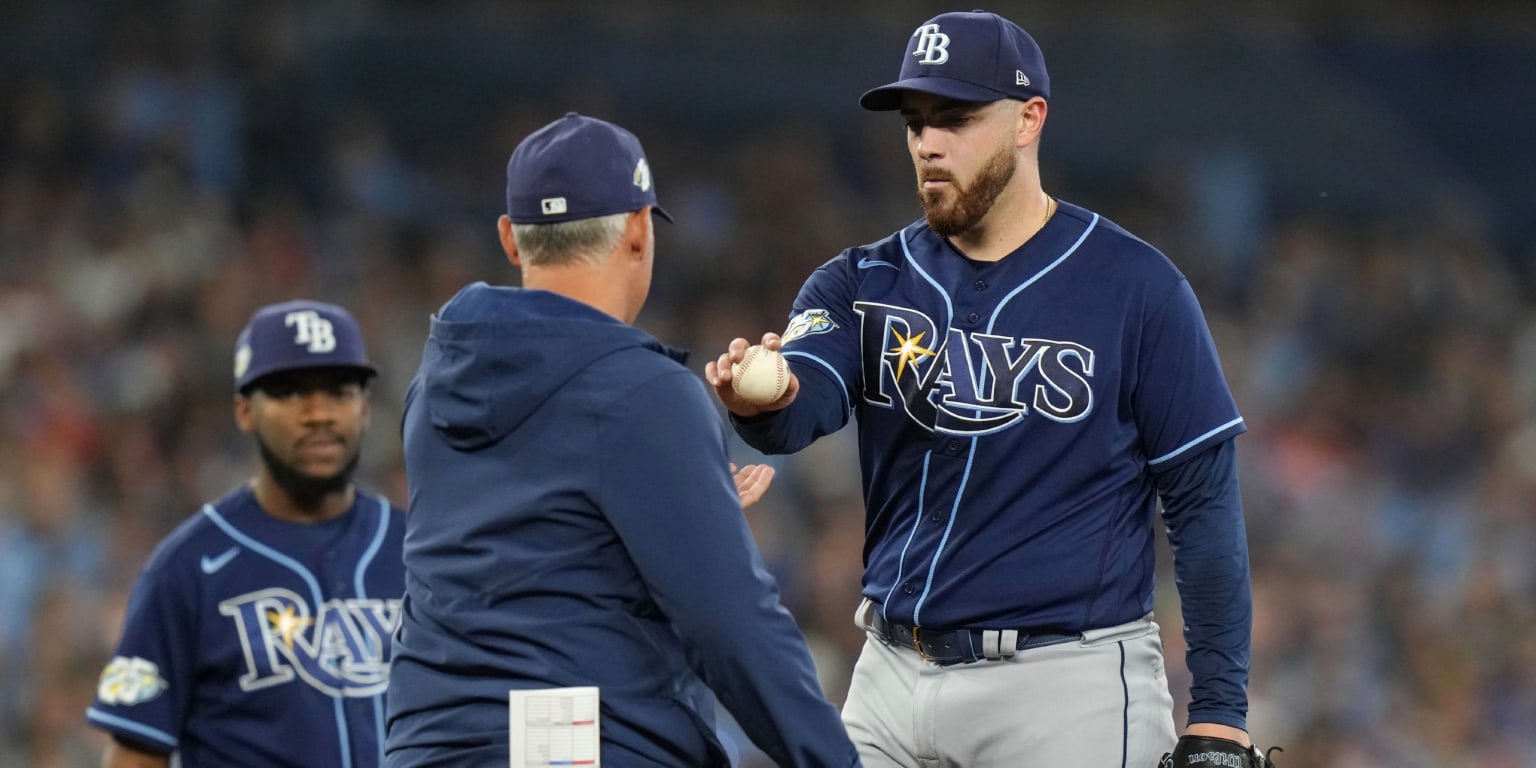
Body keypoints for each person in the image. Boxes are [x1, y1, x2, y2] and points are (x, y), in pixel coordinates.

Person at [707, 10, 1275, 767]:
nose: (928, 143)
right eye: (915, 123)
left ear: (1027, 119)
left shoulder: (1135, 288)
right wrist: (763, 402)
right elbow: (804, 403)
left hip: (1064, 688)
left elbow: (1202, 502)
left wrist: (1221, 715)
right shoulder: (860, 281)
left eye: (956, 118)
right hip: (888, 674)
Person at [383, 112, 860, 768]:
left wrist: (676, 510)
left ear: (511, 239)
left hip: (428, 745)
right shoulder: (643, 391)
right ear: (639, 231)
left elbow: (528, 558)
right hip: (582, 749)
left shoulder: (434, 379)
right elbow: (731, 629)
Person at [86, 300, 406, 767]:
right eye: (291, 393)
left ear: (365, 407)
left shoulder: (417, 549)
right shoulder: (187, 568)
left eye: (339, 391)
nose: (318, 413)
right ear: (244, 412)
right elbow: (135, 753)